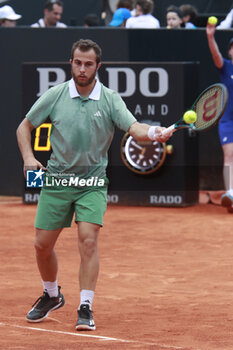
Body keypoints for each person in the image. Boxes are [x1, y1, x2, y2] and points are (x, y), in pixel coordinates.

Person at [16, 39, 172, 330]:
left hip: (92, 182)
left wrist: (153, 132)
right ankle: (51, 295)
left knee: (88, 240)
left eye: (88, 64)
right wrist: (28, 157)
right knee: (41, 246)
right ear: (71, 63)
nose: (82, 68)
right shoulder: (56, 94)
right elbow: (24, 127)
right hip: (58, 179)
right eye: (77, 62)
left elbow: (133, 128)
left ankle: (85, 305)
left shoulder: (110, 99)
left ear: (98, 66)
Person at [206, 22, 233, 213]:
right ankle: (230, 193)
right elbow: (216, 56)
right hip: (228, 121)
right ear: (230, 51)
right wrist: (210, 36)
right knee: (229, 155)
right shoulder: (226, 67)